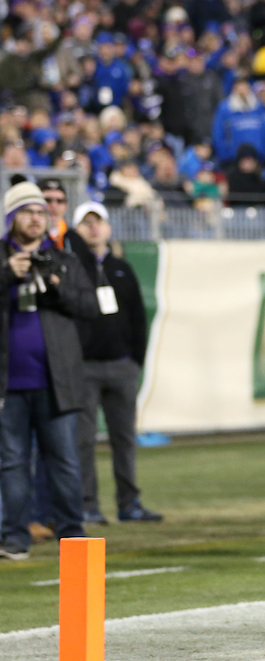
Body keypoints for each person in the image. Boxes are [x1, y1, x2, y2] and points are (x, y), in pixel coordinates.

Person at [0, 182, 100, 560]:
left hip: (57, 380)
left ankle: (72, 535)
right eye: (27, 211)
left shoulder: (63, 260)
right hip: (8, 382)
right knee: (12, 463)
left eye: (41, 212)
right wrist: (8, 273)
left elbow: (90, 308)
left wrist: (58, 288)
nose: (36, 218)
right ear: (12, 217)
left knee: (64, 460)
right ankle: (14, 538)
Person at [72, 201, 160, 523]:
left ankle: (129, 503)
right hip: (85, 368)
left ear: (108, 228)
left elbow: (139, 319)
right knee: (83, 442)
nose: (93, 228)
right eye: (86, 223)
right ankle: (87, 505)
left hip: (121, 367)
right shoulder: (71, 268)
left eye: (98, 222)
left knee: (124, 439)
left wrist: (134, 361)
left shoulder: (123, 268)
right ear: (77, 230)